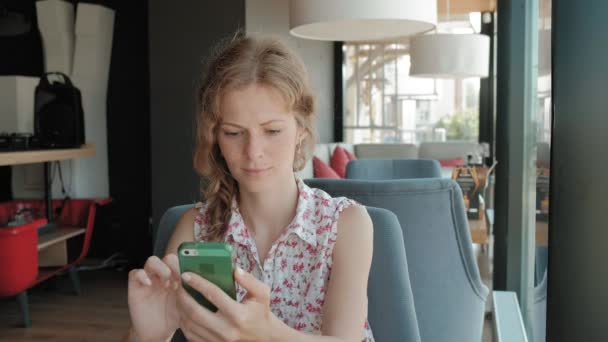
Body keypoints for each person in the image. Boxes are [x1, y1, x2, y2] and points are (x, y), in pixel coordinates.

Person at [123, 34, 375, 342]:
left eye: (272, 131)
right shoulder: (194, 228)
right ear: (215, 136)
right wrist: (144, 334)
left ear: (301, 129)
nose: (253, 151)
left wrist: (268, 334)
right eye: (233, 133)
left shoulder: (347, 224)